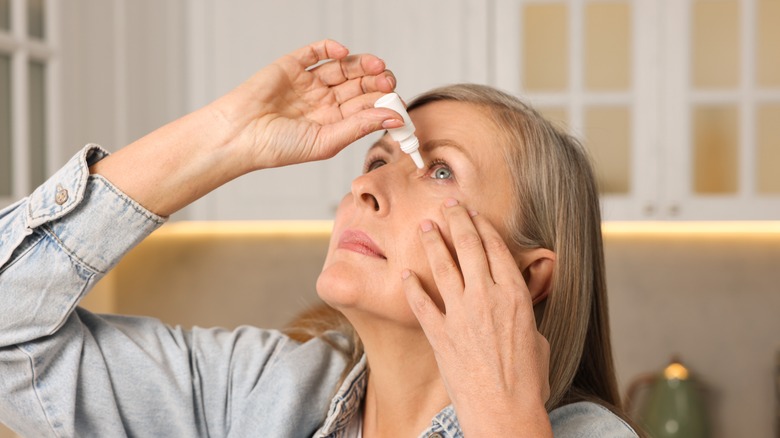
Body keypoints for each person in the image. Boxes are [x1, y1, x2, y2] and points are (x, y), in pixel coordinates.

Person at [0, 39, 639, 437]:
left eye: (439, 170)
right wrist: (224, 140)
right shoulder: (256, 394)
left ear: (527, 277)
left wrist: (503, 420)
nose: (368, 188)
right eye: (377, 160)